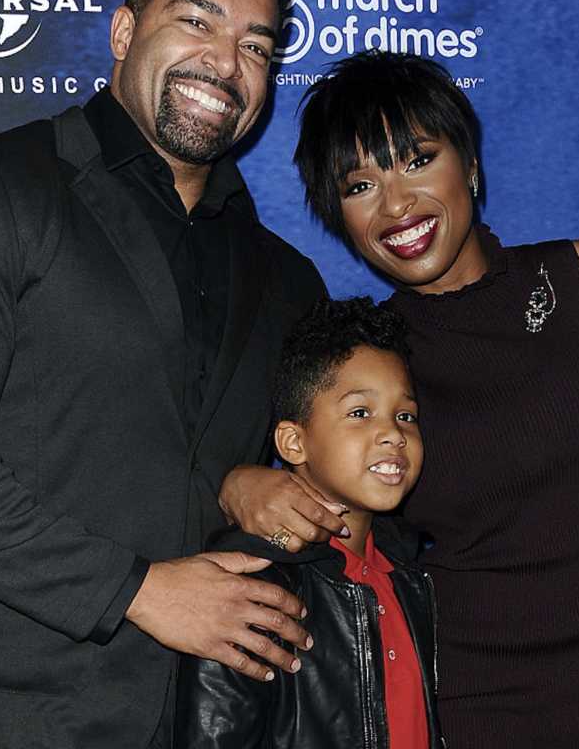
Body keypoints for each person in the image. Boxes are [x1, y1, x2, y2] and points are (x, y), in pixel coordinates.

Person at [0, 0, 342, 749]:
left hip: (219, 722)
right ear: (123, 30)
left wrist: (241, 482)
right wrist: (137, 590)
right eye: (197, 21)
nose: (225, 63)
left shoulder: (288, 279)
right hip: (16, 716)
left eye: (257, 48)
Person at [220, 50, 579, 748]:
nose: (396, 204)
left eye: (416, 160)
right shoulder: (376, 363)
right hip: (484, 699)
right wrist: (237, 482)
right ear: (338, 216)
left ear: (469, 164)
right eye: (359, 185)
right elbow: (320, 504)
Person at [176, 297, 444, 749]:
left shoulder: (413, 578)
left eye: (406, 416)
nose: (394, 434)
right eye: (360, 413)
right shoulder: (254, 583)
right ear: (293, 442)